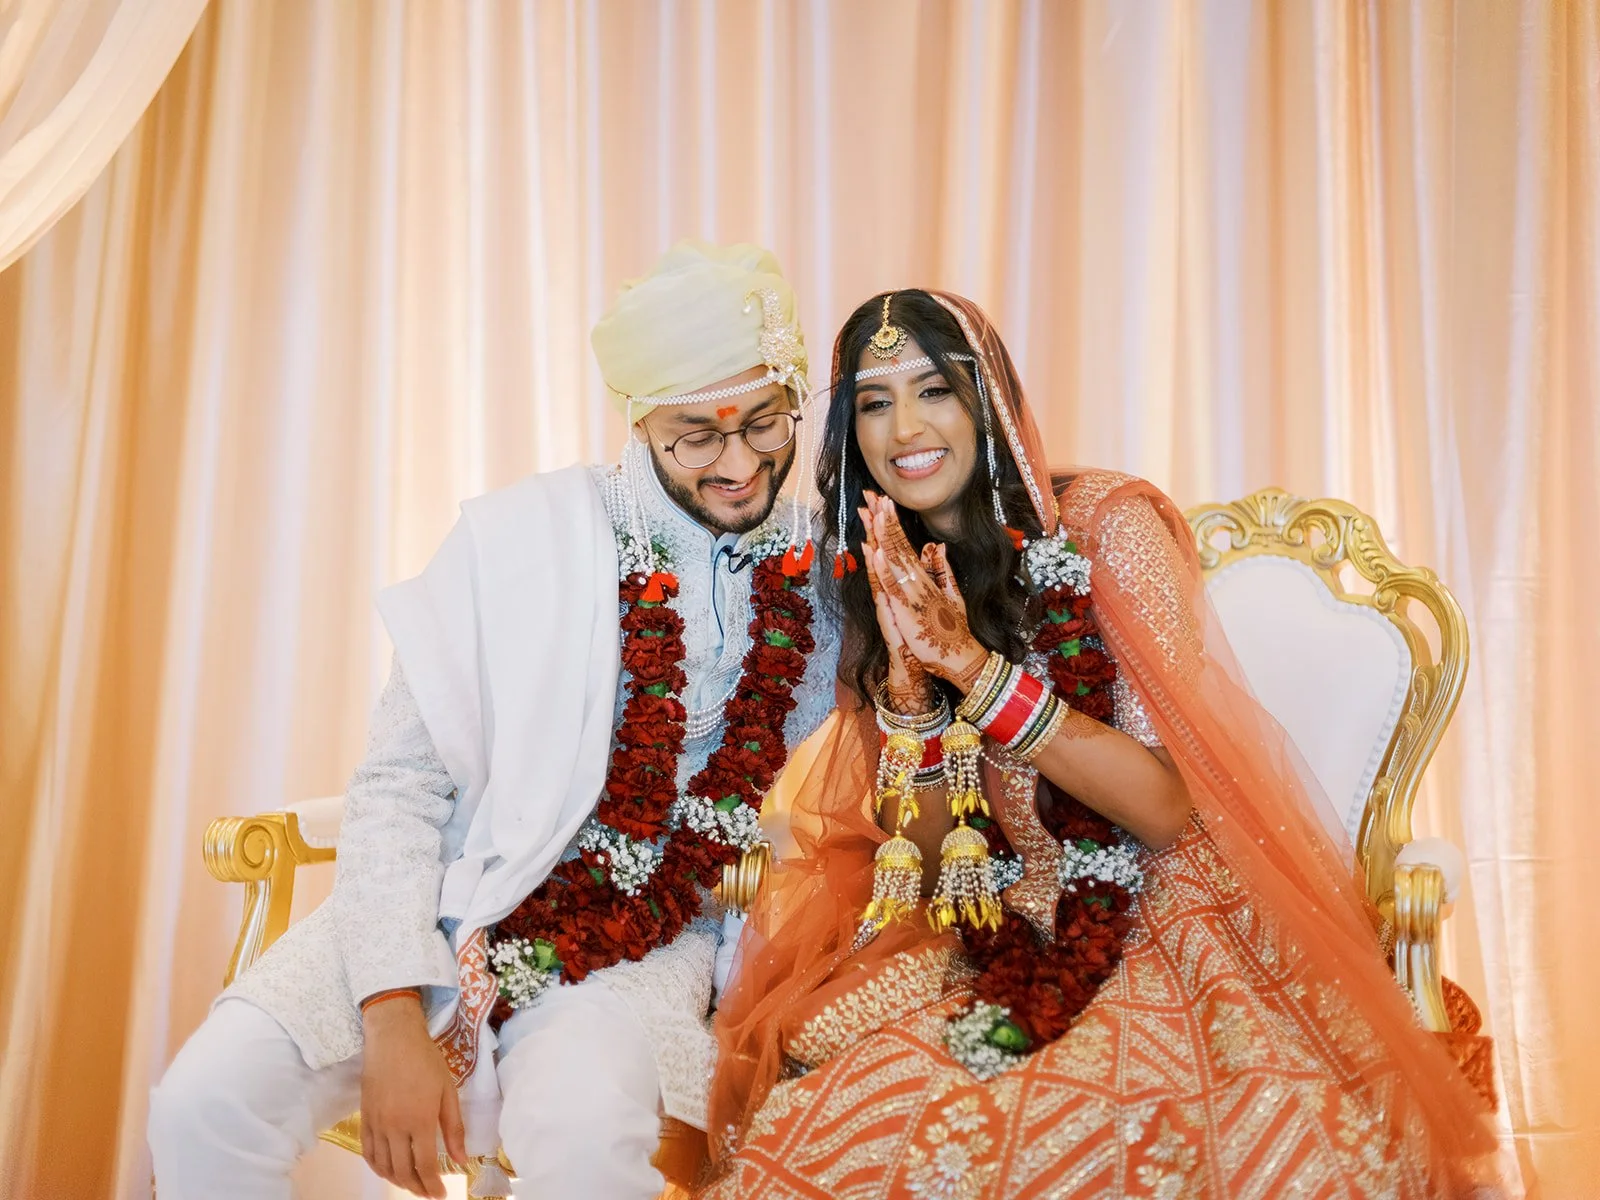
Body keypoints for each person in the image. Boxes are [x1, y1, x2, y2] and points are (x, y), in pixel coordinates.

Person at [702, 289, 1504, 1198]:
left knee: (1101, 1138)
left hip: (1173, 910)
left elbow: (1166, 808)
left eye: (935, 390)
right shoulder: (887, 573)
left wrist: (975, 668)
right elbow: (928, 864)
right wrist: (912, 694)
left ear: (988, 400)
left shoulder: (1106, 529)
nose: (905, 429)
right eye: (875, 404)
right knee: (830, 1127)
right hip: (1001, 927)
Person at [147, 241, 841, 1200]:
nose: (740, 463)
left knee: (590, 1143)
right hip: (444, 897)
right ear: (639, 422)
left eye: (767, 423)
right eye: (697, 435)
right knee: (202, 1108)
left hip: (645, 941)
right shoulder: (520, 541)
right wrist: (392, 1010)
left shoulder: (829, 573)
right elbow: (400, 784)